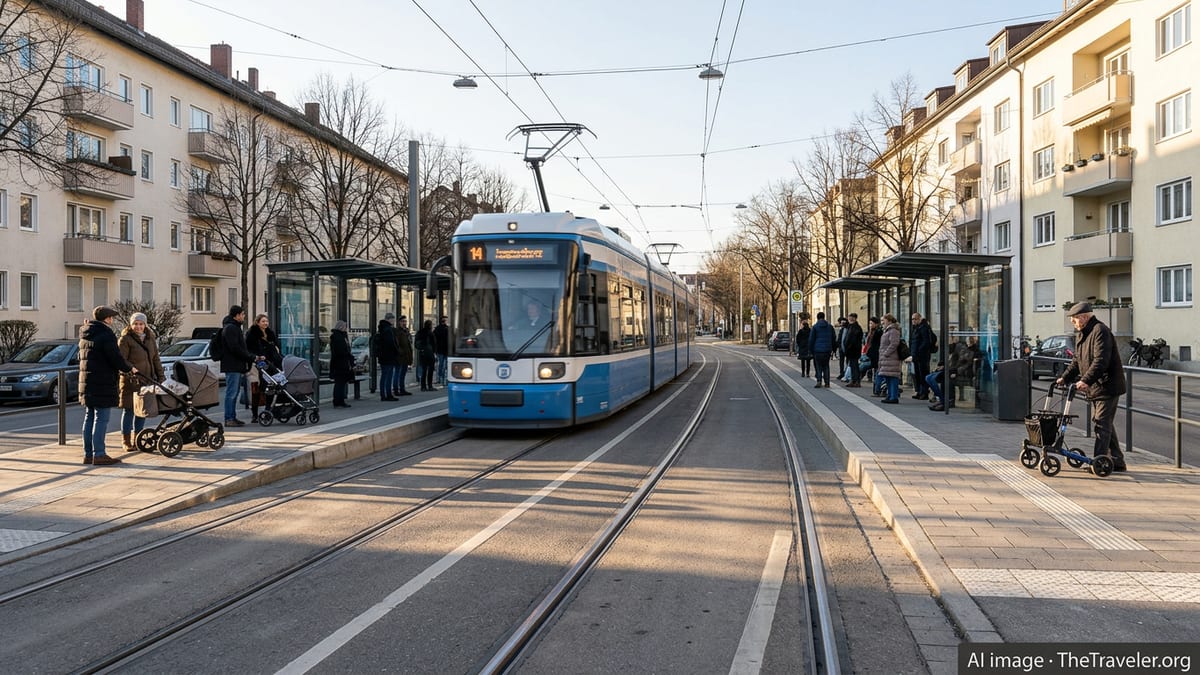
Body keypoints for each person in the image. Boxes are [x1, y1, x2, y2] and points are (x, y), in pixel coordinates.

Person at [1057, 302, 1128, 472]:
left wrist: (1086, 380)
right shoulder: (1083, 334)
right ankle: (1117, 460)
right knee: (1103, 422)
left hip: (1107, 386)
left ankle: (1099, 463)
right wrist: (1064, 378)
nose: (1073, 322)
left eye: (1074, 319)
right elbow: (1077, 360)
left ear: (1084, 317)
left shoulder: (1100, 331)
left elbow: (1101, 361)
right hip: (1096, 387)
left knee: (1101, 423)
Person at [79, 306, 136, 465]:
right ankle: (99, 454)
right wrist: (129, 368)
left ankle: (88, 454)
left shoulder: (86, 333)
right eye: (111, 317)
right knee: (101, 419)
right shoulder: (106, 334)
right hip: (102, 382)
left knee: (89, 417)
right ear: (107, 319)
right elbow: (115, 357)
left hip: (87, 381)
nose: (113, 320)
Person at [117, 312, 165, 452]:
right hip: (130, 381)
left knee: (142, 411)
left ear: (145, 325)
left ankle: (138, 439)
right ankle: (126, 441)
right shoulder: (125, 339)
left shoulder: (150, 338)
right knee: (129, 410)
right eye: (135, 324)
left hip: (147, 379)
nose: (138, 327)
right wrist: (130, 372)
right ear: (130, 325)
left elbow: (155, 359)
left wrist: (160, 376)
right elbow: (121, 360)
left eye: (141, 324)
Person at [218, 305, 255, 426]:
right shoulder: (231, 328)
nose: (244, 316)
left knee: (234, 392)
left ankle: (232, 417)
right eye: (243, 314)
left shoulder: (233, 327)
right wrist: (249, 356)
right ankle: (229, 418)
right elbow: (235, 348)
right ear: (237, 315)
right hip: (232, 365)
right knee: (232, 393)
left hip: (235, 365)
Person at [245, 313, 283, 421]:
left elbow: (276, 346)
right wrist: (256, 357)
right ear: (257, 322)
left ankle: (267, 410)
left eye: (266, 321)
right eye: (263, 321)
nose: (265, 323)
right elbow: (248, 349)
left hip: (270, 363)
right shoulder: (251, 334)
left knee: (271, 386)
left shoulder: (270, 333)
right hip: (256, 364)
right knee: (256, 388)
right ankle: (254, 414)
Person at [329, 320, 355, 408]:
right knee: (340, 383)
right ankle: (338, 401)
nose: (346, 328)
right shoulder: (338, 337)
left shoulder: (340, 336)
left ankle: (339, 400)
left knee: (341, 383)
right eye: (345, 327)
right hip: (340, 363)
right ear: (340, 327)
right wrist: (347, 355)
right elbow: (340, 350)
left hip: (341, 362)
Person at [877, 314, 902, 404]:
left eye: (884, 320)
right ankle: (890, 395)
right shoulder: (887, 330)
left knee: (893, 377)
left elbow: (894, 343)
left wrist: (886, 353)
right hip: (886, 359)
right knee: (888, 377)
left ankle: (893, 396)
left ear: (889, 321)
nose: (882, 322)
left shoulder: (893, 331)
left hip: (891, 358)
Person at [375, 313, 401, 400]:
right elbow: (391, 343)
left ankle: (383, 394)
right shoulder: (388, 329)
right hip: (389, 356)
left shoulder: (381, 328)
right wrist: (396, 351)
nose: (394, 321)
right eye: (393, 319)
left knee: (384, 375)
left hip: (383, 356)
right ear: (389, 319)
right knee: (388, 375)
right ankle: (388, 394)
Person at [808, 312, 836, 388]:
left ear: (817, 318)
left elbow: (811, 339)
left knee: (818, 366)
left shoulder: (815, 327)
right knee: (826, 366)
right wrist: (834, 349)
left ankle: (819, 381)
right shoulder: (830, 327)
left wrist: (810, 350)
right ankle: (827, 382)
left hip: (817, 350)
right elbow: (833, 338)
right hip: (827, 350)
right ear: (824, 317)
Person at [910, 313, 935, 400]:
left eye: (915, 319)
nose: (913, 321)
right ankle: (919, 391)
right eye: (912, 319)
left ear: (919, 319)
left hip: (922, 355)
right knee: (917, 374)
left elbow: (925, 342)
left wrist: (918, 351)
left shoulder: (924, 328)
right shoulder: (916, 328)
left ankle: (924, 392)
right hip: (916, 355)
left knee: (923, 374)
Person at [414, 319, 437, 391]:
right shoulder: (430, 333)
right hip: (430, 353)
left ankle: (423, 386)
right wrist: (434, 352)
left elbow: (416, 344)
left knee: (424, 370)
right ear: (430, 326)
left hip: (422, 353)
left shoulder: (420, 333)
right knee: (430, 370)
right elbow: (434, 344)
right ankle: (430, 385)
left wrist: (421, 349)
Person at [843, 313, 864, 387]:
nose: (850, 319)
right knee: (852, 365)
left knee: (855, 365)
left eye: (851, 318)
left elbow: (853, 340)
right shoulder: (850, 326)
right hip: (851, 350)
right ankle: (853, 380)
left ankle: (856, 381)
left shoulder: (856, 328)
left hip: (854, 350)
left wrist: (848, 347)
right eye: (849, 318)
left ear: (855, 318)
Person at [396, 316, 414, 396]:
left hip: (406, 355)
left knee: (403, 373)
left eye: (405, 321)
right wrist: (401, 352)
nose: (404, 323)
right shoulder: (398, 332)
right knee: (399, 373)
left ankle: (402, 389)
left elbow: (409, 343)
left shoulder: (406, 331)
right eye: (402, 321)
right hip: (401, 356)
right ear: (399, 322)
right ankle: (397, 389)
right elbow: (397, 344)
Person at [866, 317, 883, 396]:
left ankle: (877, 390)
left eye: (871, 323)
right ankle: (876, 390)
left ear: (876, 324)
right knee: (875, 372)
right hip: (872, 354)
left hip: (876, 354)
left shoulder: (878, 332)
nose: (870, 325)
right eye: (869, 323)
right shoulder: (871, 332)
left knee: (877, 372)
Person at [433, 315, 450, 386]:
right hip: (445, 349)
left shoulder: (437, 329)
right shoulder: (448, 329)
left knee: (441, 364)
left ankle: (440, 378)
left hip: (440, 349)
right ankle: (444, 379)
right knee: (445, 365)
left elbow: (434, 340)